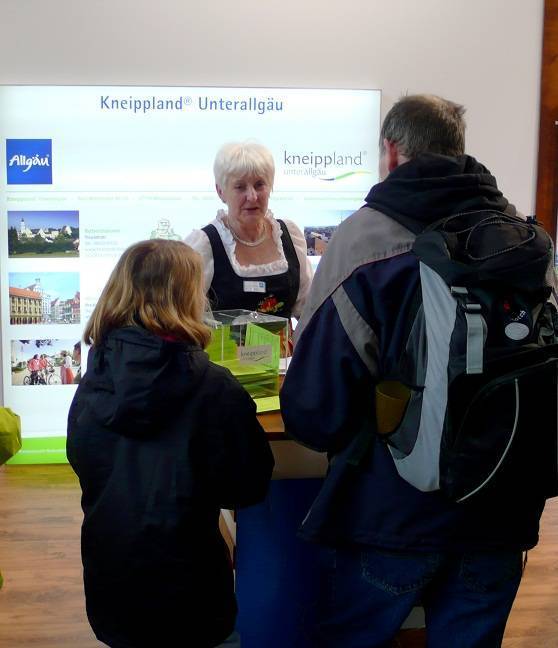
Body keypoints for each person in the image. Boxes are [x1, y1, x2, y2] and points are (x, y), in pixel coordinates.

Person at [280, 95, 543, 647]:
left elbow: (314, 410)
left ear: (392, 152)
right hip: (501, 507)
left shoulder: (363, 240)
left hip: (393, 514)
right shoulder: (515, 233)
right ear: (457, 149)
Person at [66, 239, 274, 648]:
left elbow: (85, 464)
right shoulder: (214, 388)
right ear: (186, 297)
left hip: (113, 591)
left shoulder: (91, 384)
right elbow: (248, 485)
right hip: (193, 600)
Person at [185, 141, 312, 320]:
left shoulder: (290, 236)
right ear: (220, 191)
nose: (252, 196)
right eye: (240, 187)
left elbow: (308, 311)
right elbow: (185, 319)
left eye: (259, 185)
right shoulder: (204, 245)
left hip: (285, 348)